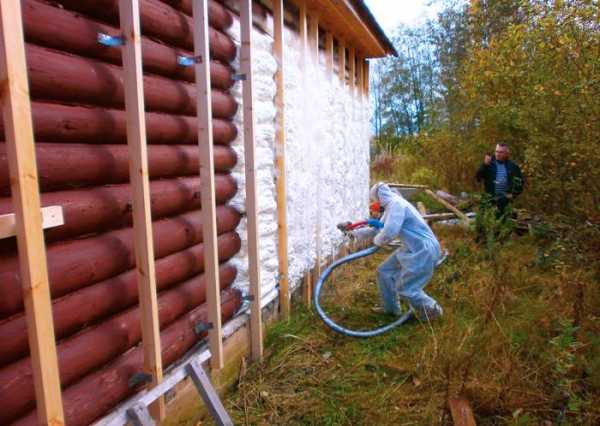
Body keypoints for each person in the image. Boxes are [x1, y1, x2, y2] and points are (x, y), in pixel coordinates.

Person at [343, 183, 444, 321]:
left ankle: (433, 312)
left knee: (407, 288)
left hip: (423, 250)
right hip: (411, 247)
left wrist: (377, 241)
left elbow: (390, 232)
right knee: (384, 272)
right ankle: (391, 309)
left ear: (380, 197)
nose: (374, 204)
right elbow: (378, 229)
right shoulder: (390, 207)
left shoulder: (397, 205)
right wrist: (353, 233)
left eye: (374, 200)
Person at [475, 143, 524, 213]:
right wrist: (484, 165)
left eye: (501, 152)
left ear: (507, 154)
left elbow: (519, 183)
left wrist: (513, 195)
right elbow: (478, 178)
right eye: (496, 151)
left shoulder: (513, 166)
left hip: (505, 200)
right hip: (489, 198)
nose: (498, 154)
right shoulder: (489, 163)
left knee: (503, 217)